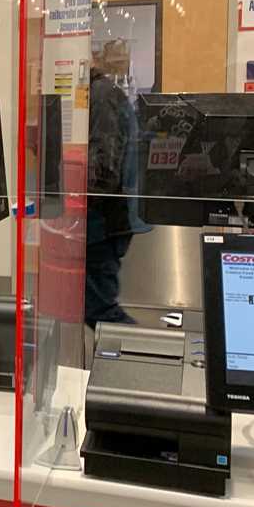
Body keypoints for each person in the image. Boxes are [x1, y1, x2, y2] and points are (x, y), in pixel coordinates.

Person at [84, 68, 150, 328]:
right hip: (100, 220)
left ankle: (145, 352)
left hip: (103, 222)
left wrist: (75, 207)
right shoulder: (98, 95)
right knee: (93, 307)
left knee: (100, 311)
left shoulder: (101, 96)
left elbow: (104, 170)